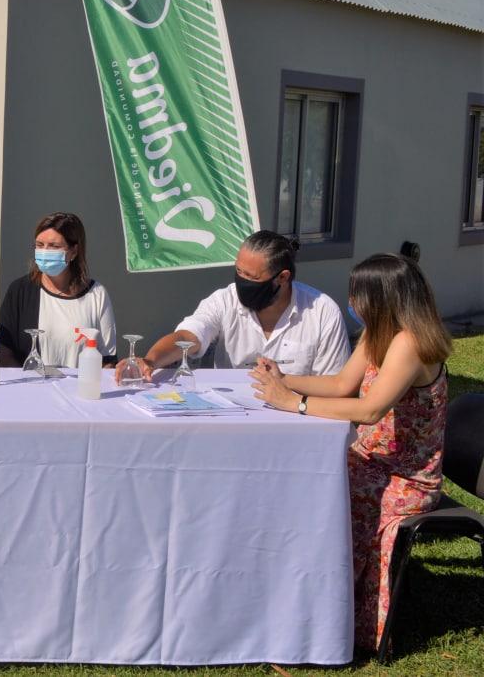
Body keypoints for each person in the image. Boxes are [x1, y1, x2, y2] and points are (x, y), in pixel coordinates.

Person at [249, 253, 452, 652]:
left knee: (324, 502)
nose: (352, 304)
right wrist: (281, 379)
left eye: (357, 296)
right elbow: (343, 383)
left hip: (405, 477)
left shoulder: (409, 342)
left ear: (381, 298)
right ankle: (297, 603)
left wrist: (295, 403)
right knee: (304, 482)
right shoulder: (381, 333)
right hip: (372, 461)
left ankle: (332, 617)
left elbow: (369, 409)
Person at [115, 230, 350, 382]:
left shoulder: (322, 313)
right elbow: (189, 335)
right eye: (239, 272)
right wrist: (151, 360)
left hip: (297, 422)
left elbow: (334, 384)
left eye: (252, 277)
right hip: (233, 417)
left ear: (282, 277)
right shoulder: (224, 300)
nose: (242, 282)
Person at [0, 211, 117, 368]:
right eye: (40, 245)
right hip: (31, 388)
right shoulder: (20, 290)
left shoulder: (96, 294)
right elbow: (3, 351)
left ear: (74, 251)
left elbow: (107, 361)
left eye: (54, 246)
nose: (45, 252)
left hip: (78, 389)